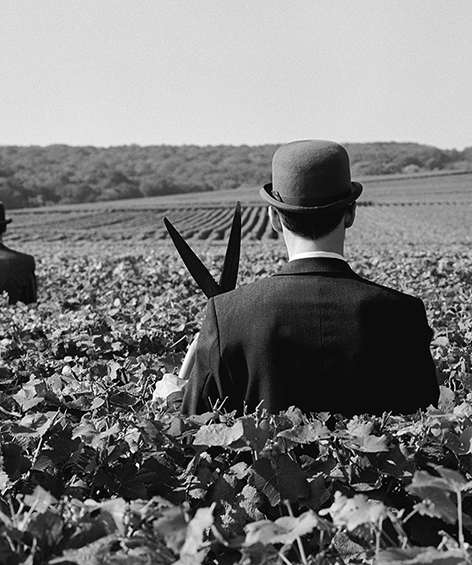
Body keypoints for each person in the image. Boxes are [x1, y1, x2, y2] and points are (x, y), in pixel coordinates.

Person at [181, 139, 440, 415]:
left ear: (274, 219)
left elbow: (194, 435)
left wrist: (173, 395)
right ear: (351, 212)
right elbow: (426, 431)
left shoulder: (228, 315)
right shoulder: (404, 314)